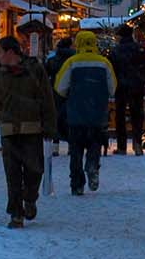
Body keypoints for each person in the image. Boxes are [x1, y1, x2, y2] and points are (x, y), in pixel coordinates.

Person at [0, 36, 57, 228]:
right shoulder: (0, 76)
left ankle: (30, 198)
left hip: (32, 131)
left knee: (34, 171)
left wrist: (50, 127)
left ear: (11, 52)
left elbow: (47, 99)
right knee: (12, 176)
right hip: (9, 133)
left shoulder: (35, 70)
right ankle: (16, 214)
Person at [54, 30, 116, 196]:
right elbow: (113, 88)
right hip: (98, 113)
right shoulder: (104, 63)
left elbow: (60, 88)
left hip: (76, 113)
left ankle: (77, 184)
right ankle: (93, 166)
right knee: (95, 144)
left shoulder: (72, 63)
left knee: (75, 150)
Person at [109, 24, 145, 155]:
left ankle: (122, 146)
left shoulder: (116, 51)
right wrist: (143, 79)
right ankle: (137, 143)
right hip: (137, 86)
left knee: (120, 116)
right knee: (137, 115)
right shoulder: (140, 49)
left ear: (121, 36)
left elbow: (111, 69)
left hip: (121, 87)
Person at [43, 37, 75, 157]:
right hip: (71, 92)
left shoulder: (53, 60)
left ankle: (55, 147)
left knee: (56, 119)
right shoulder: (74, 59)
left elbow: (45, 75)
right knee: (71, 119)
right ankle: (71, 146)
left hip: (55, 92)